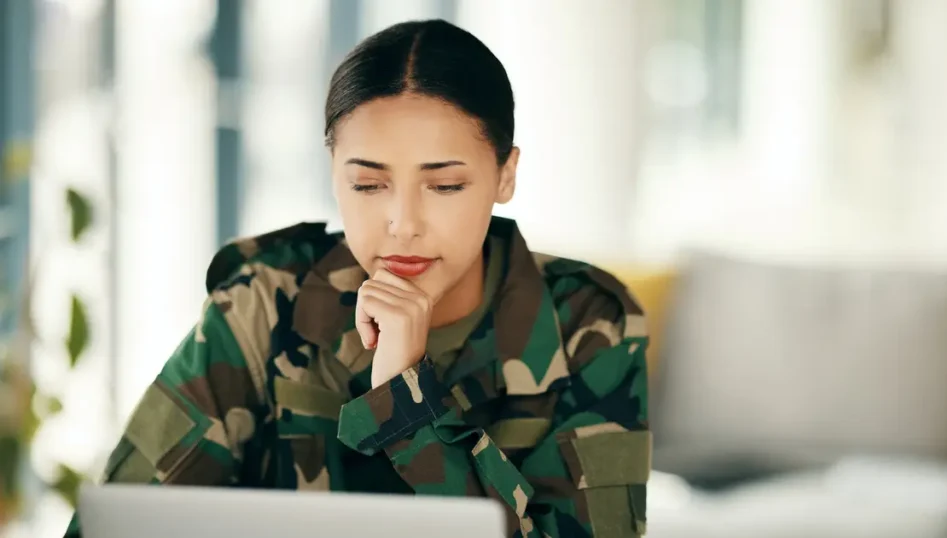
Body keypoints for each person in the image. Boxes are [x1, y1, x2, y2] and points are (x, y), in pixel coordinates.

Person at [65, 19, 650, 538]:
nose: (402, 224)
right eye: (368, 185)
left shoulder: (588, 322)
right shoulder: (263, 303)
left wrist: (406, 399)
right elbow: (119, 520)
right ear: (334, 176)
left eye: (444, 185)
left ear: (505, 175)